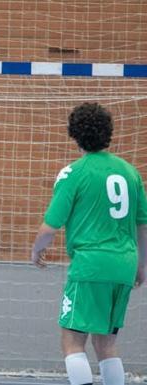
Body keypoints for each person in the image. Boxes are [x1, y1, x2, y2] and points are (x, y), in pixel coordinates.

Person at [31, 102, 147, 385]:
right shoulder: (131, 172)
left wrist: (36, 250)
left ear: (74, 135)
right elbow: (142, 224)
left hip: (91, 265)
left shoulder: (74, 173)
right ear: (108, 133)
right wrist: (142, 265)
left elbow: (50, 227)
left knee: (72, 340)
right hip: (124, 264)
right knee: (106, 343)